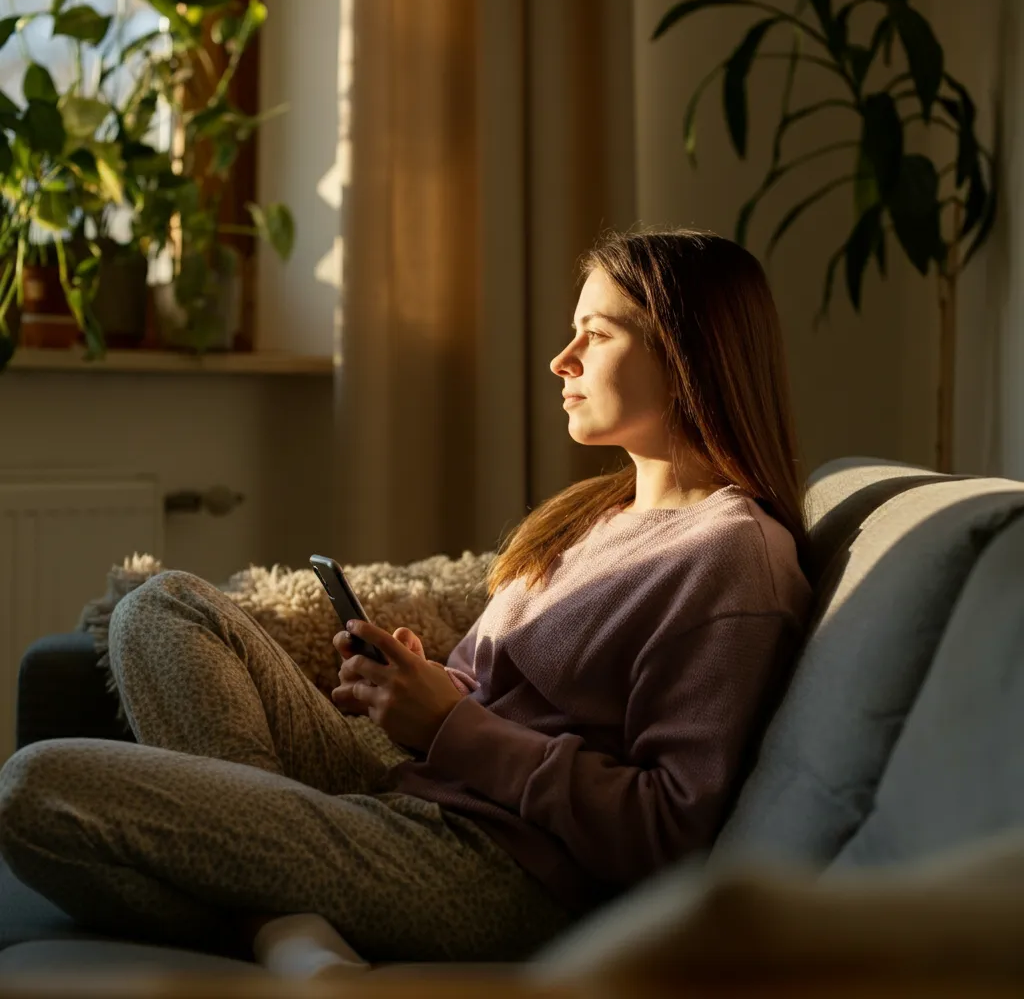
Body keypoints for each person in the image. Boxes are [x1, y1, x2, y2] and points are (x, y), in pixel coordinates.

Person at [0, 228, 813, 971]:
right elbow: (495, 698)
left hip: (505, 873)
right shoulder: (596, 515)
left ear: (685, 356)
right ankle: (284, 919)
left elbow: (670, 832)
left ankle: (274, 916)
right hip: (415, 787)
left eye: (595, 336)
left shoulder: (731, 557)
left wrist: (456, 727)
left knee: (33, 790)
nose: (563, 359)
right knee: (163, 608)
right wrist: (422, 689)